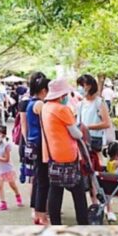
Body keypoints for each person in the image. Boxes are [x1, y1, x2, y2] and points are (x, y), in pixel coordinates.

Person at [37, 79, 95, 227]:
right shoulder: (63, 110)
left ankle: (56, 224)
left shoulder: (46, 107)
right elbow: (76, 134)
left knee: (55, 190)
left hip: (53, 155)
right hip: (68, 155)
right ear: (62, 94)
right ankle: (83, 223)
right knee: (79, 193)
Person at [22, 70, 51, 225]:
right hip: (41, 144)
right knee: (43, 181)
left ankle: (37, 212)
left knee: (38, 178)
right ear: (43, 91)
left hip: (34, 143)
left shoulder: (30, 103)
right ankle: (42, 215)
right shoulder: (39, 104)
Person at [76, 74, 115, 160]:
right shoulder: (81, 104)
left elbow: (106, 123)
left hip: (95, 139)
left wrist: (87, 127)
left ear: (89, 86)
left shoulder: (99, 102)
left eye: (82, 85)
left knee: (95, 162)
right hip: (82, 138)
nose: (80, 88)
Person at [0, 124, 21, 212]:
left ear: (3, 135)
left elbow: (6, 159)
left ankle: (17, 195)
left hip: (7, 169)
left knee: (12, 184)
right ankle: (3, 202)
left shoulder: (6, 145)